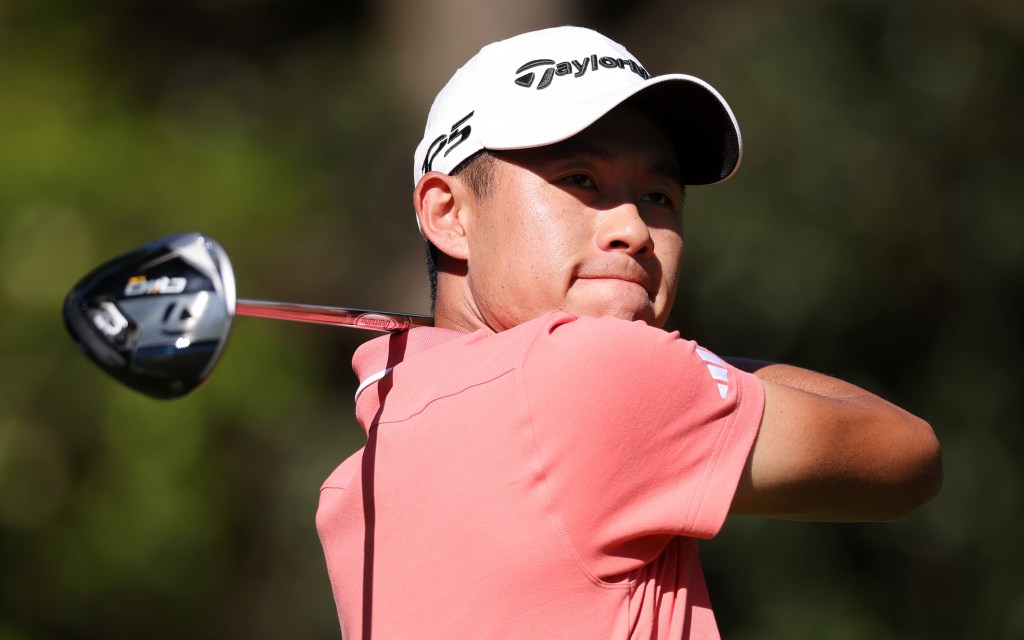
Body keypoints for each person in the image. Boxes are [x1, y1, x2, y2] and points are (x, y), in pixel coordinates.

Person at [315, 26, 942, 639]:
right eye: (580, 181)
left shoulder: (352, 486)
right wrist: (685, 363)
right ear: (449, 215)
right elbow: (909, 456)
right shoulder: (595, 375)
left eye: (658, 196)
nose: (634, 230)